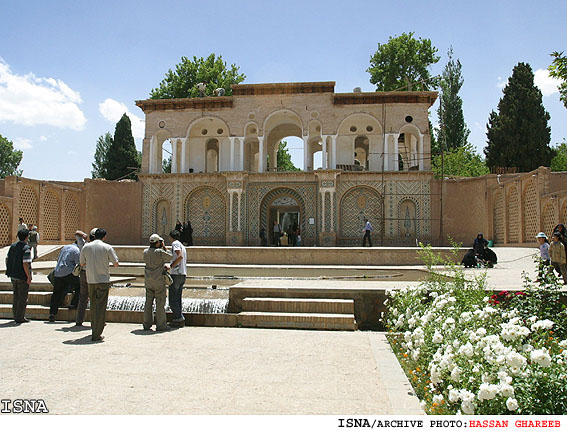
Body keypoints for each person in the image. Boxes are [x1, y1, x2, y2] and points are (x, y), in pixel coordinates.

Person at [80, 228, 119, 342]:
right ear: (104, 237)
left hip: (91, 280)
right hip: (103, 280)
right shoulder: (107, 247)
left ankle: (94, 329)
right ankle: (96, 334)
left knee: (93, 306)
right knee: (101, 307)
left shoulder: (86, 247)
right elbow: (116, 264)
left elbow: (82, 263)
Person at [143, 234, 172, 331]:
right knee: (160, 303)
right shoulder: (160, 252)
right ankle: (161, 325)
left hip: (148, 281)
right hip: (158, 281)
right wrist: (164, 247)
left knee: (148, 303)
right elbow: (170, 257)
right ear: (158, 242)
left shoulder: (145, 252)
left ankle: (147, 324)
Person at [49, 236, 82, 322]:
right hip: (68, 273)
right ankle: (74, 304)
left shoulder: (65, 247)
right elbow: (79, 264)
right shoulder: (76, 250)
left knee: (56, 292)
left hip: (58, 272)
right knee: (80, 286)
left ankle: (52, 313)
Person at [6, 229, 32, 323]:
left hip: (14, 276)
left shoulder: (12, 246)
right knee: (22, 298)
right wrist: (28, 277)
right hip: (22, 276)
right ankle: (20, 317)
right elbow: (25, 264)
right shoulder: (26, 248)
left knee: (16, 296)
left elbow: (7, 259)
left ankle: (16, 315)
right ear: (26, 237)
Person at [168, 230, 187, 328]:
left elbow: (180, 256)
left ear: (171, 237)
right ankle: (178, 318)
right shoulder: (181, 245)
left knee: (172, 299)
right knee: (177, 298)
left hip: (176, 274)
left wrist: (170, 266)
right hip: (182, 274)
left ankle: (178, 318)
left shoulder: (175, 244)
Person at [73, 230, 89, 326]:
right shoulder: (100, 247)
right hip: (93, 274)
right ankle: (98, 321)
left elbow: (77, 233)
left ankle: (79, 320)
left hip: (83, 273)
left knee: (83, 297)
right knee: (95, 297)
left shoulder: (83, 246)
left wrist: (83, 235)